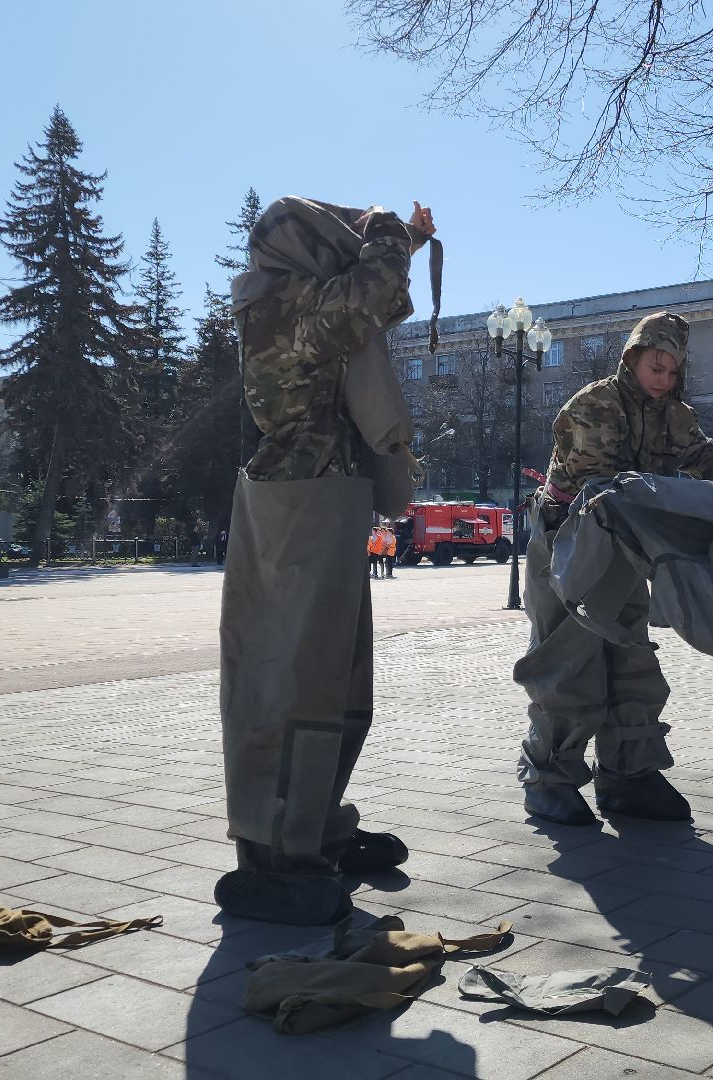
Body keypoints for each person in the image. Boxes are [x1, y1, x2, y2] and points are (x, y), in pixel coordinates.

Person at [215, 196, 432, 924]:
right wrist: (391, 232)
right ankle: (273, 854)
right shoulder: (278, 302)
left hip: (327, 498)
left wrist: (403, 241)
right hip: (299, 503)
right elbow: (367, 294)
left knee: (338, 687)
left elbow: (369, 299)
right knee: (294, 686)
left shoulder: (306, 298)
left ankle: (315, 827)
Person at [515, 311, 713, 826]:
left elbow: (706, 461)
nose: (663, 378)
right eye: (655, 367)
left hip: (627, 546)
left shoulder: (674, 415)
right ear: (632, 358)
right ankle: (549, 778)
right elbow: (602, 489)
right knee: (568, 661)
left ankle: (628, 773)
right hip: (571, 545)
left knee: (631, 657)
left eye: (672, 370)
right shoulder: (595, 404)